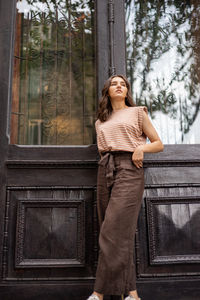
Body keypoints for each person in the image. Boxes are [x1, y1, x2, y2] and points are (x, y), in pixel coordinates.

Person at [87, 74, 164, 300]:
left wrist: (141, 150)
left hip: (130, 168)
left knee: (112, 231)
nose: (119, 86)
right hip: (105, 168)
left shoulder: (137, 112)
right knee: (117, 233)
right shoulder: (100, 121)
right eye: (114, 83)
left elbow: (158, 143)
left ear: (126, 91)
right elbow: (103, 150)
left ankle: (98, 292)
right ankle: (132, 293)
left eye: (123, 84)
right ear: (107, 91)